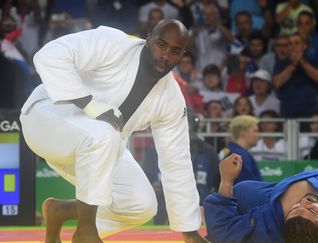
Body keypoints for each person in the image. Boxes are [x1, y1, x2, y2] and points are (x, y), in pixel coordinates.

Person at [20, 20, 207, 243]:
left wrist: (190, 231)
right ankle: (86, 231)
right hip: (46, 118)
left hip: (96, 148)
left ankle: (60, 211)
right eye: (161, 45)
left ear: (182, 55)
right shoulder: (114, 43)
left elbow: (176, 161)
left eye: (175, 51)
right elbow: (49, 55)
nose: (165, 55)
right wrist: (88, 103)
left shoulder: (171, 99)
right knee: (105, 132)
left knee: (140, 204)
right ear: (148, 39)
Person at [218, 115, 262, 184]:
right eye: (255, 131)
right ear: (243, 133)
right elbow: (248, 187)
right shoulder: (240, 156)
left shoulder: (226, 151)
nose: (258, 135)